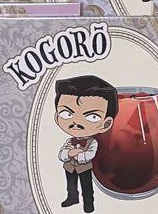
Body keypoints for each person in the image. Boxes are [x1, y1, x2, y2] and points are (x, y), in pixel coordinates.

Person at [54, 74, 117, 213]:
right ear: (57, 118)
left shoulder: (92, 142)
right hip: (69, 167)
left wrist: (79, 155)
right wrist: (69, 153)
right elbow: (61, 154)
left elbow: (90, 154)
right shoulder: (69, 141)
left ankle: (88, 204)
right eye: (66, 114)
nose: (76, 122)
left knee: (86, 186)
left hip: (84, 168)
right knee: (71, 184)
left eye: (92, 117)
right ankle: (72, 198)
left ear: (105, 124)